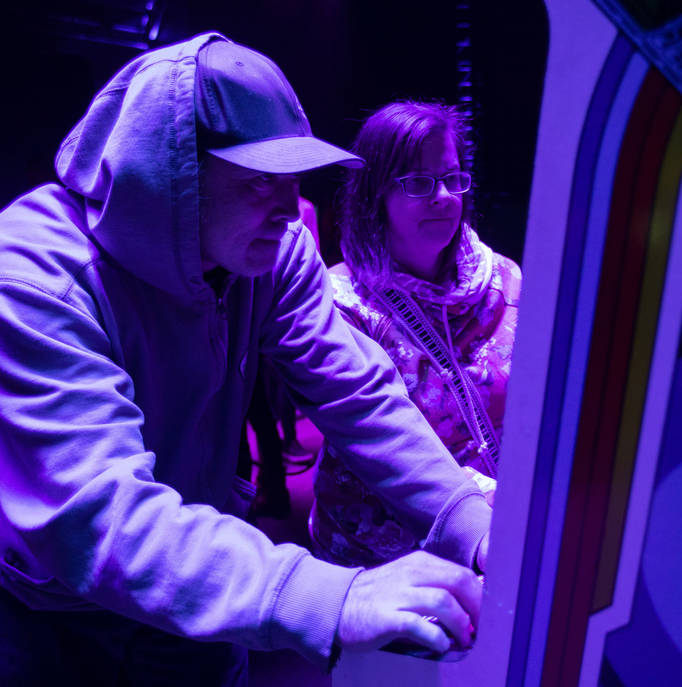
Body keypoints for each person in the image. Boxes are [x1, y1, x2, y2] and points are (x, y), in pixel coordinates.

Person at [0, 34, 492, 685]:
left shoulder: (267, 250)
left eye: (294, 180)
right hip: (53, 617)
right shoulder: (34, 278)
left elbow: (358, 395)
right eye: (263, 180)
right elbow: (103, 512)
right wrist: (333, 598)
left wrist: (470, 519)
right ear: (171, 173)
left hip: (206, 581)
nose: (292, 210)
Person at [310, 101, 520, 569]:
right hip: (381, 561)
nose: (444, 196)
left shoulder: (506, 282)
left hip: (498, 544)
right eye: (418, 183)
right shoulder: (341, 303)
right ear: (375, 194)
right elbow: (377, 446)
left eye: (452, 178)